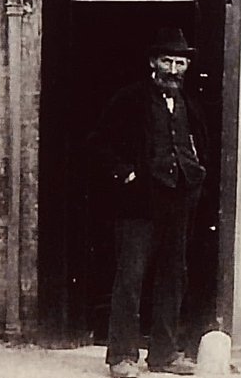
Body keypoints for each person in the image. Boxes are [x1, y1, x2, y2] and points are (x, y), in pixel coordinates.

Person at [86, 27, 207, 377]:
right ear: (153, 62)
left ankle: (164, 354)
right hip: (139, 206)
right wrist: (126, 174)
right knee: (130, 279)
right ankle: (122, 357)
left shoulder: (188, 103)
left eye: (180, 62)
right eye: (167, 61)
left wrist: (196, 177)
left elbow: (200, 145)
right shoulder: (130, 99)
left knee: (173, 278)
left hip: (179, 202)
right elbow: (98, 143)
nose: (173, 69)